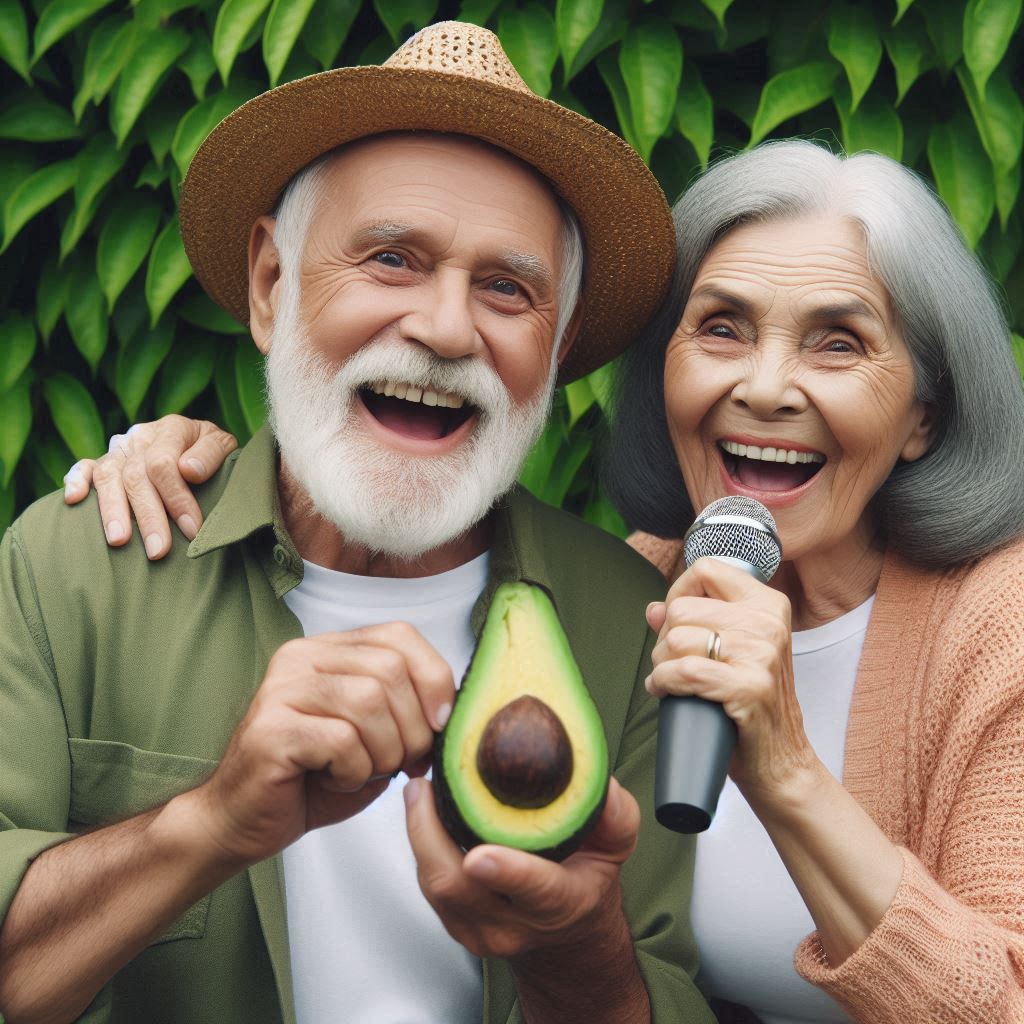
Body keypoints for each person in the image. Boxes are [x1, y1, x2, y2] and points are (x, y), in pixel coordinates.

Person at [96, 140, 1024, 1024]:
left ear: (923, 418)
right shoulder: (640, 587)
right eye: (722, 329)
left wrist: (784, 773)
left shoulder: (997, 629)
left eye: (837, 344)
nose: (766, 387)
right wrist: (208, 462)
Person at [0, 22, 717, 1024]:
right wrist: (208, 823)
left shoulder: (628, 624)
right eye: (391, 258)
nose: (444, 327)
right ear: (269, 284)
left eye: (507, 289)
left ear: (552, 346)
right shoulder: (73, 564)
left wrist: (575, 948)